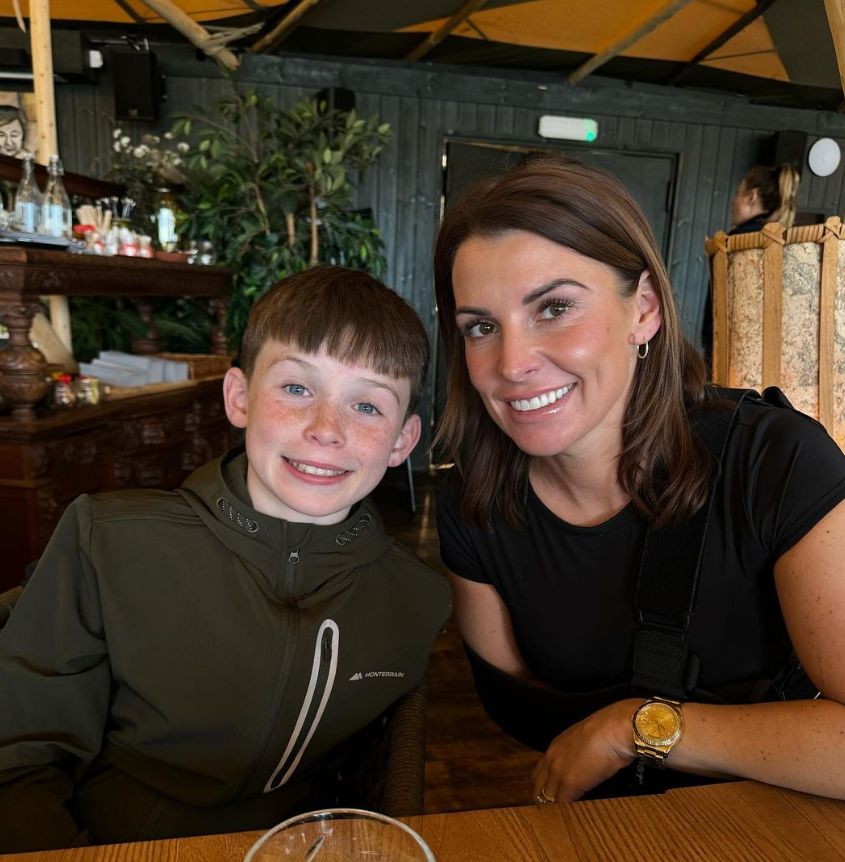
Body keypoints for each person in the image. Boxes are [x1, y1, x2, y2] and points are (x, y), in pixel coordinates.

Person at [433, 157, 845, 805]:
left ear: (644, 310)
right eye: (480, 327)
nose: (510, 364)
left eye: (554, 308)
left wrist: (637, 728)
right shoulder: (473, 503)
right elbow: (524, 714)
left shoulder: (778, 463)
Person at [0, 266, 451, 851]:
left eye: (367, 406)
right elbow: (19, 756)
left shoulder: (415, 599)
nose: (325, 429)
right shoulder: (108, 541)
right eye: (296, 389)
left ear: (402, 441)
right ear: (239, 397)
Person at [701, 163, 800, 369]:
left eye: (738, 193)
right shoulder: (784, 245)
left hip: (728, 358)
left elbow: (724, 310)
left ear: (751, 197)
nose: (733, 201)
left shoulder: (737, 242)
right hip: (772, 358)